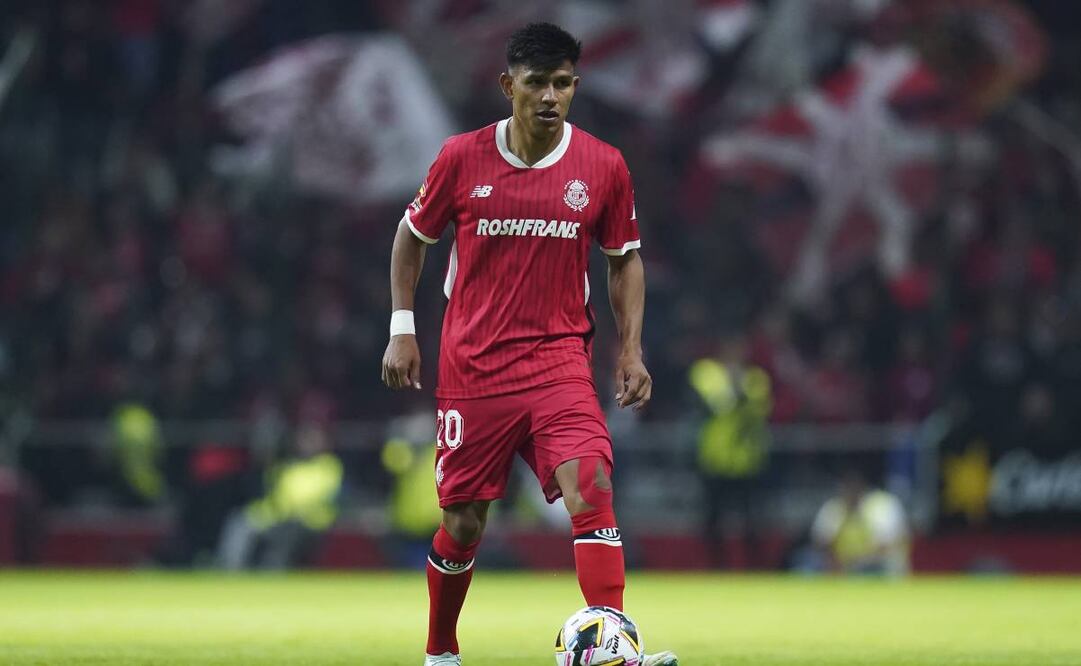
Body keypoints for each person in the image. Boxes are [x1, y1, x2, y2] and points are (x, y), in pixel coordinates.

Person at [381, 23, 677, 666]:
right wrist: (403, 329)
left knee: (592, 485)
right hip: (473, 369)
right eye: (537, 82)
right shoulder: (460, 157)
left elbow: (624, 260)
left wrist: (631, 351)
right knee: (462, 524)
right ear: (507, 84)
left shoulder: (603, 165)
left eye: (563, 82)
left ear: (575, 86)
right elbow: (411, 238)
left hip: (558, 363)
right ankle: (440, 652)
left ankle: (612, 645)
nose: (550, 95)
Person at [689, 334, 771, 568]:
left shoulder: (756, 377)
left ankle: (756, 570)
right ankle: (716, 569)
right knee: (712, 521)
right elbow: (717, 406)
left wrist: (737, 390)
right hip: (714, 460)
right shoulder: (706, 372)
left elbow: (759, 411)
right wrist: (736, 388)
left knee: (752, 521)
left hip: (746, 461)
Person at [809, 469, 910, 577]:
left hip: (875, 564)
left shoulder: (881, 506)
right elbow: (820, 543)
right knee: (808, 562)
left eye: (854, 486)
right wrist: (835, 558)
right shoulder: (834, 508)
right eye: (846, 487)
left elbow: (887, 546)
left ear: (862, 486)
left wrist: (857, 560)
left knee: (871, 567)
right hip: (842, 564)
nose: (850, 491)